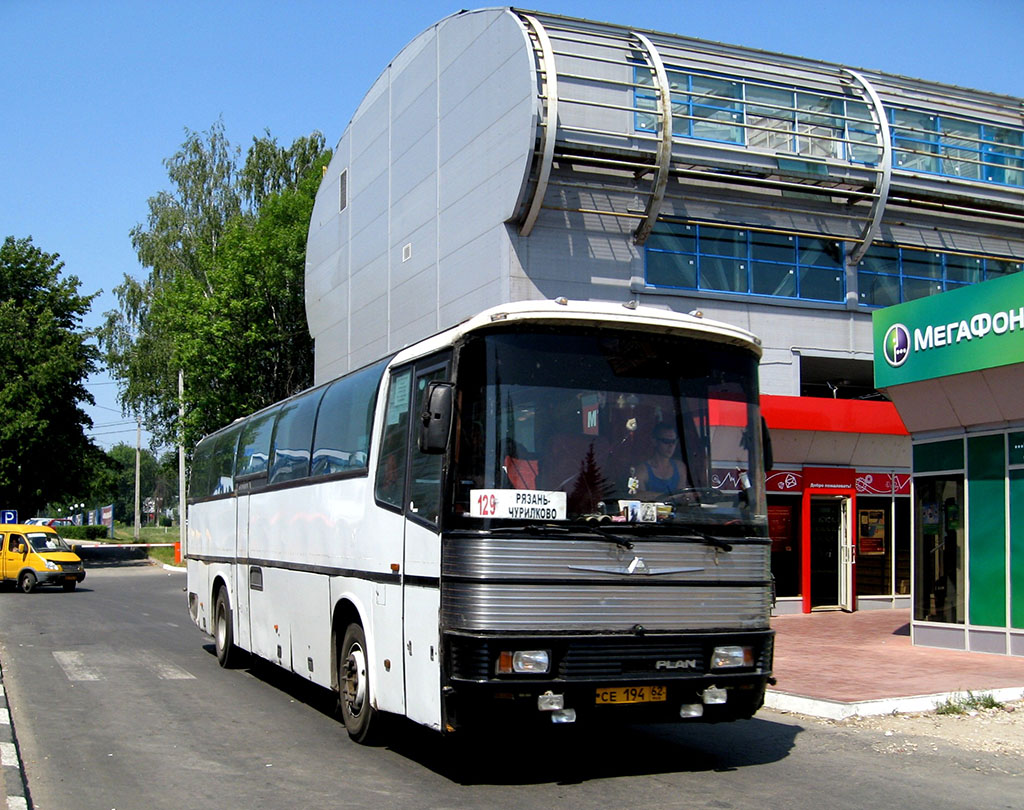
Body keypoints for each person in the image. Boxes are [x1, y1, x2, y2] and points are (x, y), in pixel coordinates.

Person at [635, 423, 689, 498]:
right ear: (655, 442)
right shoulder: (642, 470)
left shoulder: (680, 467)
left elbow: (681, 497)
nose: (671, 446)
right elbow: (638, 496)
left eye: (673, 442)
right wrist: (670, 497)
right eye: (666, 441)